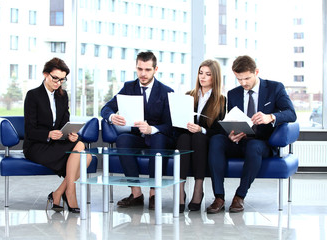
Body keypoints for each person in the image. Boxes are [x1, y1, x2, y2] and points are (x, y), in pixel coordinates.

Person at [206, 55, 297, 214]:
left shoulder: (275, 88)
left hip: (262, 142)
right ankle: (219, 197)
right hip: (240, 139)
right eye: (239, 79)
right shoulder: (233, 94)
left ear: (256, 72)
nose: (243, 83)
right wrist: (231, 133)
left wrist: (271, 117)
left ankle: (239, 196)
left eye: (247, 78)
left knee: (253, 146)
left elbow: (291, 114)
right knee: (216, 140)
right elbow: (232, 117)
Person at [101, 51, 174, 210]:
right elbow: (106, 108)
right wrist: (112, 117)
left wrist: (152, 129)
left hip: (159, 137)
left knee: (158, 138)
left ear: (156, 69)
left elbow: (170, 125)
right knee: (122, 140)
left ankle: (154, 193)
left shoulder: (166, 91)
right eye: (140, 69)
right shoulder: (129, 87)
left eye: (147, 70)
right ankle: (136, 194)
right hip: (138, 137)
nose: (143, 73)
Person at [23, 57, 92, 213]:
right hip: (37, 145)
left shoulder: (62, 96)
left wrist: (70, 135)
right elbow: (30, 129)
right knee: (82, 152)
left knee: (84, 152)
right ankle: (70, 193)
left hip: (56, 143)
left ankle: (59, 193)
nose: (58, 83)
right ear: (45, 74)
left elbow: (64, 123)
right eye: (55, 78)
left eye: (62, 80)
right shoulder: (33, 95)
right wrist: (48, 134)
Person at [176, 60, 226, 213]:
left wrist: (201, 129)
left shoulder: (221, 101)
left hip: (205, 140)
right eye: (201, 73)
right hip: (186, 137)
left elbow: (220, 130)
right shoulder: (188, 96)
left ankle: (198, 189)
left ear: (215, 77)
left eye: (208, 74)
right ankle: (180, 189)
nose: (202, 77)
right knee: (184, 138)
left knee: (199, 137)